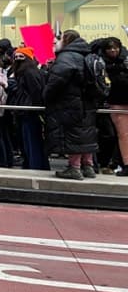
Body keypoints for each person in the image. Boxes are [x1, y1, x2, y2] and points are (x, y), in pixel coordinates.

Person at [44, 30, 99, 180]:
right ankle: (88, 166)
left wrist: (46, 95)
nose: (58, 41)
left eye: (60, 38)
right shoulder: (86, 54)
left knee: (73, 135)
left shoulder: (66, 57)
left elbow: (56, 82)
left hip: (70, 103)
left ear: (66, 40)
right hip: (87, 103)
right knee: (85, 133)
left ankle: (74, 167)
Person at [8, 47, 48, 170]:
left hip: (29, 110)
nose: (18, 60)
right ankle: (34, 163)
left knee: (31, 140)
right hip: (26, 110)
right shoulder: (28, 72)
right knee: (29, 140)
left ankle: (34, 165)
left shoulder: (29, 73)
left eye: (21, 57)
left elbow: (35, 91)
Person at [98, 37, 128, 175]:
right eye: (109, 48)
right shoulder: (103, 64)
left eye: (115, 47)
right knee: (123, 135)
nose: (113, 50)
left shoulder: (106, 63)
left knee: (122, 135)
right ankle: (124, 163)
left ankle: (121, 163)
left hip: (117, 101)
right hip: (116, 102)